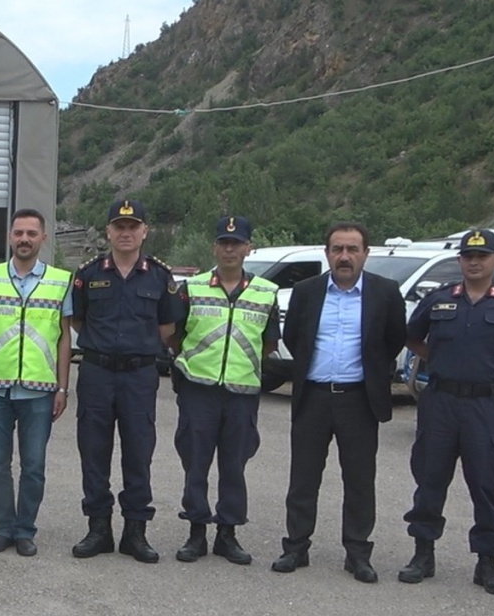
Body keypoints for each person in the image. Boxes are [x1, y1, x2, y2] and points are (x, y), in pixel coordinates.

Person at [397, 230, 494, 594]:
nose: (474, 262)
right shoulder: (439, 300)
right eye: (468, 256)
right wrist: (439, 359)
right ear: (460, 260)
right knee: (430, 479)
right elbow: (411, 336)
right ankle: (423, 554)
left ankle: (488, 562)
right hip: (441, 402)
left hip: (488, 404)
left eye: (482, 256)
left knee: (488, 483)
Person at [273, 221, 408, 582]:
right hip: (313, 398)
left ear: (366, 253)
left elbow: (393, 340)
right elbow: (294, 337)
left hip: (358, 400)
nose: (344, 256)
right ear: (327, 253)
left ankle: (358, 553)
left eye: (352, 249)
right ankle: (296, 548)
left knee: (359, 481)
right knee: (303, 479)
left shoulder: (385, 292)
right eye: (337, 249)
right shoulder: (306, 291)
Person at [69, 198, 185, 562]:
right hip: (97, 373)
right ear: (108, 231)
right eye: (119, 227)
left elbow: (167, 327)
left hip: (139, 375)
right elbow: (78, 321)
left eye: (133, 226)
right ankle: (98, 529)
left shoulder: (160, 277)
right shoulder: (88, 274)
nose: (126, 233)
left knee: (138, 453)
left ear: (144, 231)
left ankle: (135, 532)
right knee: (94, 452)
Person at [168, 216, 279, 565]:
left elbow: (269, 343)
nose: (230, 249)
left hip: (241, 391)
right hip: (199, 389)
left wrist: (239, 365)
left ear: (248, 248)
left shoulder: (267, 292)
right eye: (224, 243)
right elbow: (174, 335)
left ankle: (228, 534)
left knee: (234, 465)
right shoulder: (192, 288)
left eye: (236, 243)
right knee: (195, 462)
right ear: (215, 247)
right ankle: (196, 531)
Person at [0, 208, 72, 557]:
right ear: (9, 237)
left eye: (31, 233)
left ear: (43, 238)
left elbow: (64, 338)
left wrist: (62, 387)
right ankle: (4, 528)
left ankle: (25, 530)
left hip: (39, 391)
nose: (24, 239)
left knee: (34, 466)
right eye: (19, 233)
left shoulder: (61, 281)